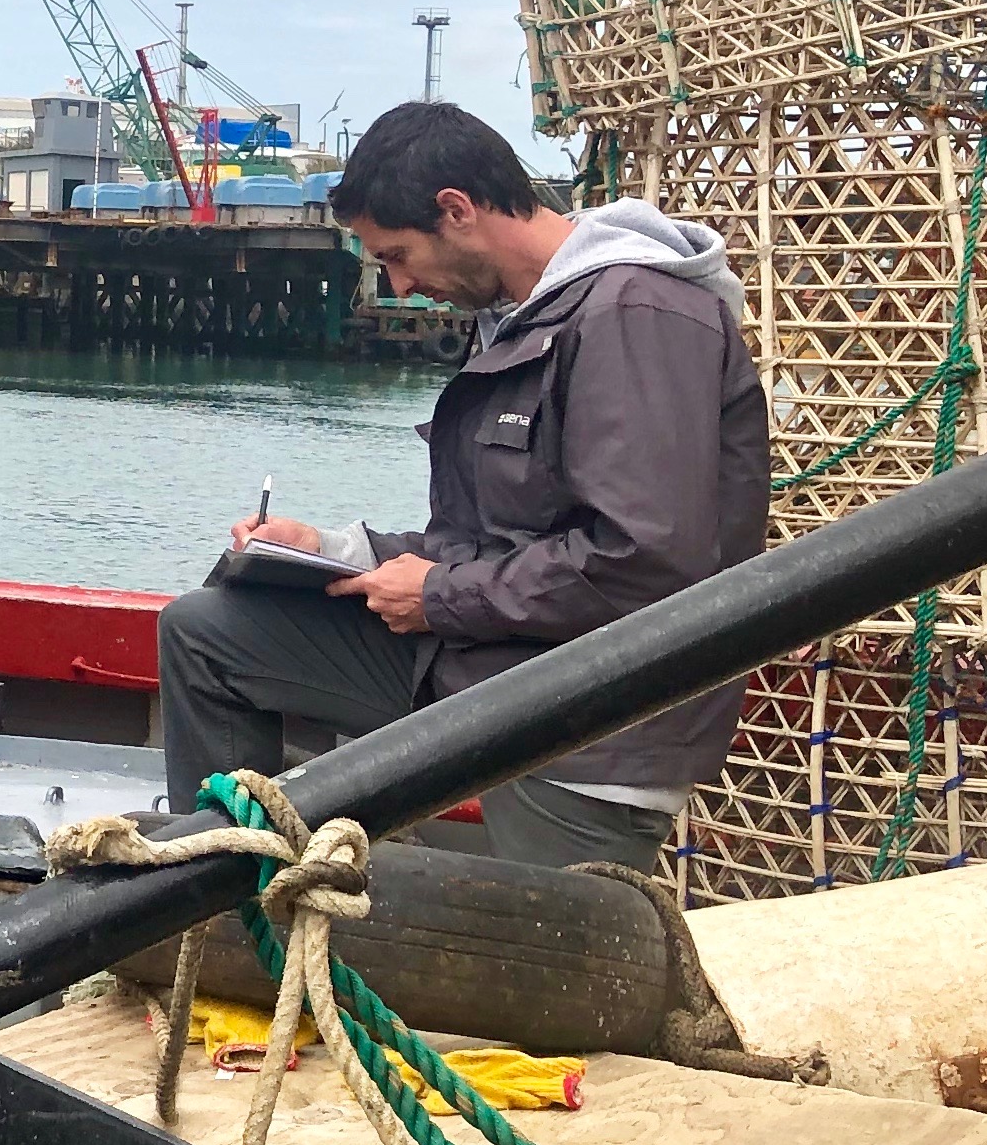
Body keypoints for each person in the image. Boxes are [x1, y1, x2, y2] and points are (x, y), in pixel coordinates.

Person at [155, 100, 769, 869]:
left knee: (546, 975)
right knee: (209, 632)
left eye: (399, 254)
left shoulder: (635, 312)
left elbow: (646, 559)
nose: (401, 285)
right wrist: (334, 550)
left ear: (457, 210)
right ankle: (242, 910)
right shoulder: (530, 317)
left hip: (592, 712)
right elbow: (498, 540)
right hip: (492, 661)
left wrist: (439, 594)